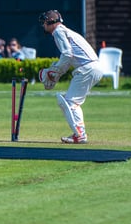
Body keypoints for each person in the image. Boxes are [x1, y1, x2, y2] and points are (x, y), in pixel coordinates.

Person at [38, 9, 103, 145]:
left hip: (87, 68)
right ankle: (79, 134)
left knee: (70, 103)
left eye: (44, 22)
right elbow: (70, 57)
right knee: (72, 102)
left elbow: (67, 54)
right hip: (93, 67)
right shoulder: (66, 31)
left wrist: (53, 71)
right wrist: (57, 72)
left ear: (51, 21)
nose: (43, 25)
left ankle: (79, 135)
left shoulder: (58, 32)